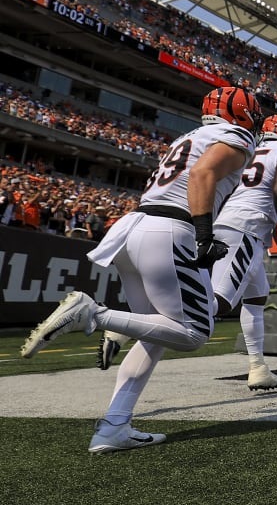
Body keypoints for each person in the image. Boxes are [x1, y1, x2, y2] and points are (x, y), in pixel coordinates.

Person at [20, 86, 260, 453]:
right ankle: (93, 314)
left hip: (135, 227)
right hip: (169, 230)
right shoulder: (235, 134)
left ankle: (115, 425)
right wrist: (204, 234)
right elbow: (202, 174)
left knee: (155, 332)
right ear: (243, 113)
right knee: (195, 332)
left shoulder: (192, 134)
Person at [99, 114, 277, 391]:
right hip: (247, 227)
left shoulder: (253, 149)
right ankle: (124, 325)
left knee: (257, 296)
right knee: (217, 303)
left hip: (227, 221)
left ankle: (258, 367)